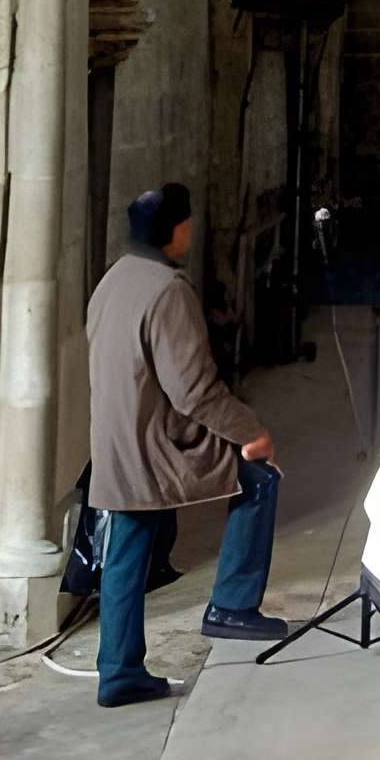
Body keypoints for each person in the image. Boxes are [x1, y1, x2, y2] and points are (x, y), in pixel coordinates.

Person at [86, 182, 287, 706]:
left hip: (116, 440)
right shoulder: (167, 289)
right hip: (160, 443)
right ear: (174, 231)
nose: (191, 233)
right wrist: (251, 432)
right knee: (259, 476)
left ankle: (118, 672)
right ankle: (232, 607)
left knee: (125, 552)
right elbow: (193, 390)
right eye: (187, 225)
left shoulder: (113, 280)